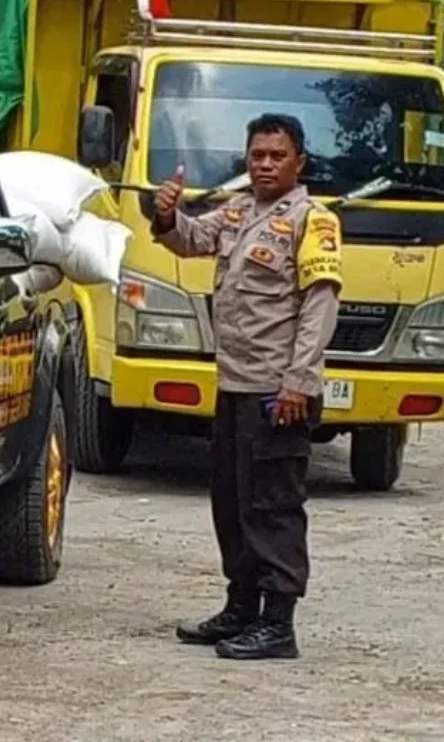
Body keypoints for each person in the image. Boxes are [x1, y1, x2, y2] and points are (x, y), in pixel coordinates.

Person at [151, 113, 342, 660]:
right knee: (232, 503)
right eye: (256, 155)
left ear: (298, 162)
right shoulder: (238, 211)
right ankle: (242, 608)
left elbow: (319, 307)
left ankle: (278, 623)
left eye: (276, 155)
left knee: (274, 505)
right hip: (235, 385)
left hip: (277, 391)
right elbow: (189, 240)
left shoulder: (312, 221)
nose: (263, 164)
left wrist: (298, 382)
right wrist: (167, 213)